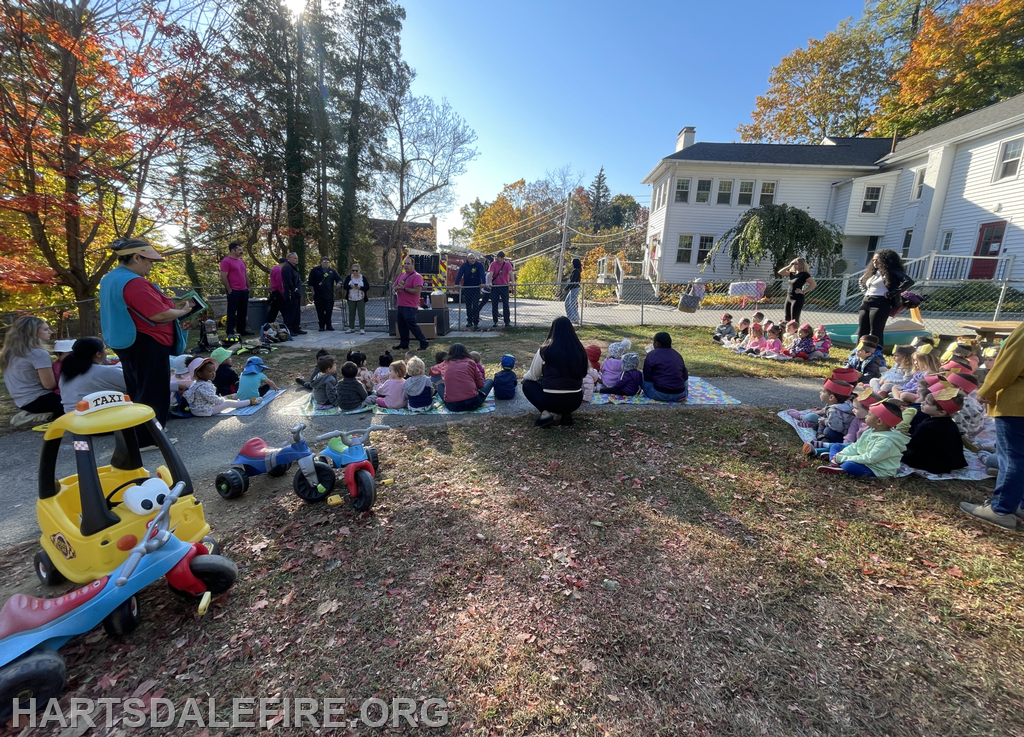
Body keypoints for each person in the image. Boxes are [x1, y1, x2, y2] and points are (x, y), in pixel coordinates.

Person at [99, 238, 193, 449]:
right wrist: (183, 311)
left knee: (138, 387)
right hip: (145, 341)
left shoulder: (110, 278)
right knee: (153, 389)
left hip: (126, 340)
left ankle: (145, 431)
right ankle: (149, 438)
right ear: (136, 257)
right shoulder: (133, 282)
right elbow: (158, 314)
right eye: (149, 260)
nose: (151, 265)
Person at [959, 322, 1024, 529]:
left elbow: (1008, 366)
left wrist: (986, 389)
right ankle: (1019, 504)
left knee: (1012, 457)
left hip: (1018, 404)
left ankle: (1001, 509)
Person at [817, 402, 916, 477]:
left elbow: (870, 458)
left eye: (869, 414)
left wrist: (844, 458)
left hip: (876, 469)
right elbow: (855, 446)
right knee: (836, 446)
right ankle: (834, 463)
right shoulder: (871, 430)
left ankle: (838, 464)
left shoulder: (886, 441)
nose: (866, 416)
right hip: (862, 459)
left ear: (879, 421)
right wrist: (843, 454)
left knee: (848, 465)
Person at [522, 318, 587, 426]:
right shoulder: (580, 350)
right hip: (575, 401)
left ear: (553, 330)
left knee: (527, 384)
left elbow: (533, 376)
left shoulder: (545, 350)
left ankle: (545, 414)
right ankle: (566, 414)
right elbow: (583, 374)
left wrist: (525, 377)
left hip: (551, 401)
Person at [1, 316, 62, 422]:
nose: (50, 332)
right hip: (39, 400)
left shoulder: (9, 353)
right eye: (46, 329)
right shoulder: (38, 353)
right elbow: (49, 385)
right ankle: (42, 415)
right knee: (80, 401)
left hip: (22, 402)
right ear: (33, 333)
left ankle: (36, 414)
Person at [902, 388, 968, 474]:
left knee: (898, 447)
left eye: (927, 403)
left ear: (941, 412)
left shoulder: (929, 426)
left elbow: (913, 443)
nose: (922, 403)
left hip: (935, 463)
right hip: (952, 461)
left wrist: (900, 438)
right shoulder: (949, 423)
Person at [858, 248, 914, 347]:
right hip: (866, 302)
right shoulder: (872, 273)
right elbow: (861, 282)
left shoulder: (891, 272)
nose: (874, 262)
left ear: (885, 261)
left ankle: (877, 354)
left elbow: (908, 281)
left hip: (880, 303)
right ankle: (858, 352)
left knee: (876, 331)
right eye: (873, 260)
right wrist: (865, 292)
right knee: (862, 329)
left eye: (877, 260)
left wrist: (892, 293)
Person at [58, 338, 126, 414]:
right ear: (98, 354)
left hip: (70, 417)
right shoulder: (102, 372)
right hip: (92, 418)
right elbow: (135, 384)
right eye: (104, 349)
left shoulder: (66, 373)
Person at [183, 357, 259, 416]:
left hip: (198, 409)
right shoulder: (204, 386)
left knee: (225, 398)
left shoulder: (197, 383)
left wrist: (222, 398)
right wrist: (223, 400)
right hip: (204, 411)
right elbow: (215, 400)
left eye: (214, 371)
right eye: (210, 371)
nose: (213, 373)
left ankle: (232, 396)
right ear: (200, 374)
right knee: (228, 403)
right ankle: (250, 401)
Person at [431, 344, 493, 412]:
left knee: (440, 386)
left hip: (452, 406)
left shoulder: (445, 363)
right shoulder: (470, 362)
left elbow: (431, 371)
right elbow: (480, 384)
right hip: (473, 403)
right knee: (489, 381)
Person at [393, 256, 430, 351]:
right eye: (405, 263)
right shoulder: (401, 275)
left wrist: (404, 288)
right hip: (401, 305)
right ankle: (404, 344)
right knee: (402, 325)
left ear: (413, 265)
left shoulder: (417, 276)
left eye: (408, 264)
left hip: (410, 306)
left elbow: (417, 291)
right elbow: (395, 285)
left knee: (412, 325)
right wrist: (395, 289)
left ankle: (423, 342)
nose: (406, 265)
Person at [641, 332, 689, 402]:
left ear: (657, 343)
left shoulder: (651, 355)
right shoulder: (677, 355)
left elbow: (646, 377)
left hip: (659, 394)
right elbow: (685, 377)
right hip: (680, 394)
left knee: (640, 375)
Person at [219, 241, 251, 338]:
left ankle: (241, 329)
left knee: (243, 311)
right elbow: (223, 276)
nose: (241, 251)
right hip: (234, 290)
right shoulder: (226, 261)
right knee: (232, 312)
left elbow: (245, 274)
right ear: (233, 250)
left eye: (241, 249)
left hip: (243, 290)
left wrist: (248, 286)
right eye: (239, 249)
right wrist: (229, 289)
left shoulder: (242, 261)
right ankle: (230, 331)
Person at [308, 256, 342, 332]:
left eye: (327, 262)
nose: (326, 263)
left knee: (329, 310)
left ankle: (329, 325)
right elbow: (311, 282)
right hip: (318, 294)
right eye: (324, 261)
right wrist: (313, 292)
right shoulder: (315, 270)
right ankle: (321, 326)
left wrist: (339, 283)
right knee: (320, 311)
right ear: (321, 262)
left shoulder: (332, 271)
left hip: (329, 295)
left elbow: (339, 279)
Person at [454, 253, 486, 331]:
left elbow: (482, 274)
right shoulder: (464, 266)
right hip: (467, 288)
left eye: (473, 258)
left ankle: (476, 322)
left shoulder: (479, 265)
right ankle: (469, 321)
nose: (472, 260)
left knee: (475, 305)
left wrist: (483, 282)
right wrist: (456, 283)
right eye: (471, 258)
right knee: (468, 305)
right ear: (467, 259)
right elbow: (459, 274)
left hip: (476, 288)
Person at [779, 257, 816, 324]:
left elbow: (813, 284)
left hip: (797, 299)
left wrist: (803, 291)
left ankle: (796, 333)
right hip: (789, 297)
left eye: (796, 264)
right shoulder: (792, 274)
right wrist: (789, 265)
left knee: (794, 319)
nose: (794, 265)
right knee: (787, 318)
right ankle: (788, 333)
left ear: (801, 265)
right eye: (794, 264)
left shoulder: (804, 274)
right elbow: (780, 272)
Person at [279, 252, 306, 335]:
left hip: (296, 294)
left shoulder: (294, 268)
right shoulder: (287, 268)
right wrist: (293, 290)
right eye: (294, 258)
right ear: (289, 258)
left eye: (297, 258)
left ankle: (296, 328)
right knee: (290, 313)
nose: (296, 260)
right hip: (291, 294)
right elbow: (288, 281)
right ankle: (289, 329)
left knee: (296, 312)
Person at [488, 251, 514, 329]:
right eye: (496, 257)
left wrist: (513, 281)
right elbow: (491, 274)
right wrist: (489, 282)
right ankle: (495, 321)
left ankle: (507, 322)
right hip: (495, 286)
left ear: (502, 258)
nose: (496, 258)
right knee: (494, 304)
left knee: (505, 304)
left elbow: (511, 273)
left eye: (498, 257)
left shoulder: (507, 264)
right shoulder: (493, 264)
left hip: (504, 286)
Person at [342, 262, 370, 334]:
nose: (354, 272)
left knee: (361, 313)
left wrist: (360, 287)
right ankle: (351, 327)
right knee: (351, 313)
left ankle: (362, 328)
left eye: (356, 270)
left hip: (361, 297)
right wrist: (350, 286)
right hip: (351, 297)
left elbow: (367, 287)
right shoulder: (349, 277)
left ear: (359, 270)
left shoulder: (363, 278)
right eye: (353, 270)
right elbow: (345, 286)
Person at [266, 257, 286, 324]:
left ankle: (268, 323)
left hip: (274, 291)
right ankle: (288, 324)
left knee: (274, 310)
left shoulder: (274, 268)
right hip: (278, 292)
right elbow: (279, 282)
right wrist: (282, 292)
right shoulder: (279, 270)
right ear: (284, 263)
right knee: (283, 309)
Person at [564, 257, 582, 323]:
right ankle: (574, 318)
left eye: (572, 263)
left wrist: (566, 289)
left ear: (574, 264)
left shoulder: (575, 271)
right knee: (570, 303)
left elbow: (572, 281)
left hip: (574, 289)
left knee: (569, 303)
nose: (571, 264)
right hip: (574, 289)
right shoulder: (577, 271)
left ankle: (573, 318)